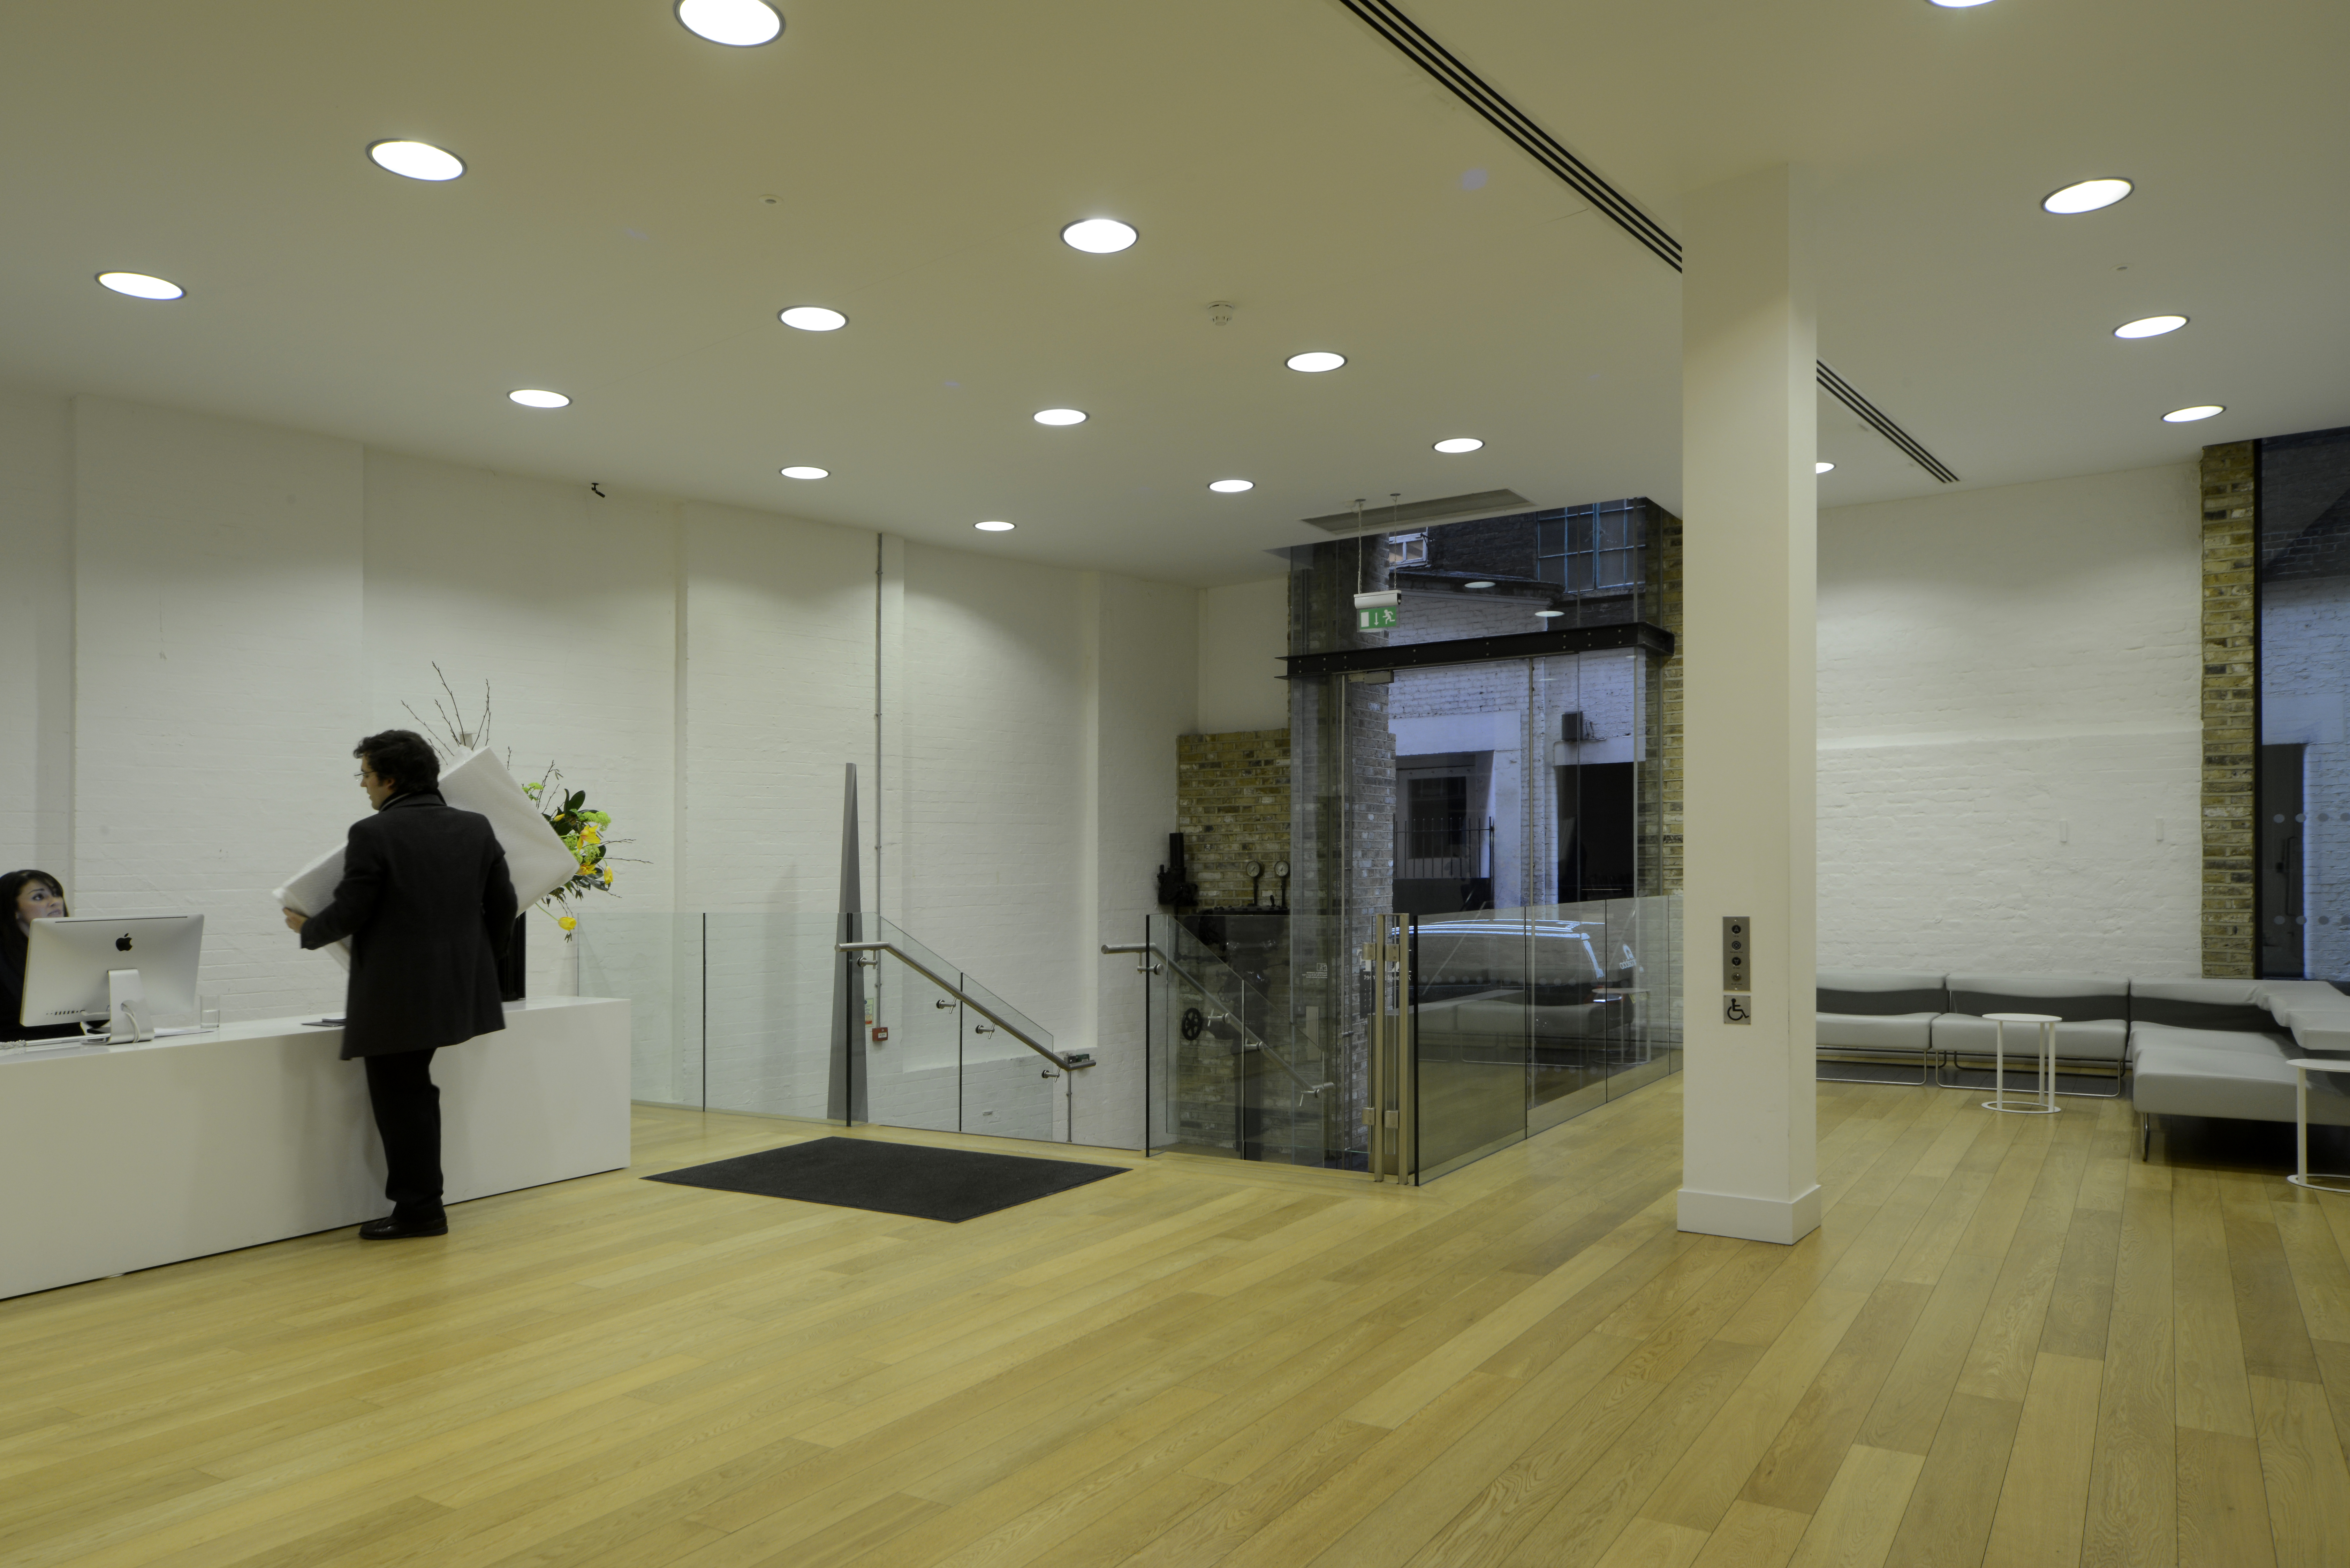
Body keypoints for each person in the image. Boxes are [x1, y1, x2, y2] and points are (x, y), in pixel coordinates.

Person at [284, 730, 517, 1240]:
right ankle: (422, 1205)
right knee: (415, 1095)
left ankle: (421, 1211)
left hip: (396, 998)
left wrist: (308, 928)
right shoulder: (476, 828)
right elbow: (503, 906)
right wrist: (479, 963)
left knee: (403, 1101)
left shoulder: (374, 834)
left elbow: (353, 911)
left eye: (366, 775)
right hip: (456, 990)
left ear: (390, 780)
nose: (364, 786)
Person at [1, 869, 84, 1043]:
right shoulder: (5, 959)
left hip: (74, 1048)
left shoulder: (71, 952)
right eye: (39, 897)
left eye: (57, 894)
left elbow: (99, 1019)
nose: (55, 903)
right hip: (19, 1053)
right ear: (13, 909)